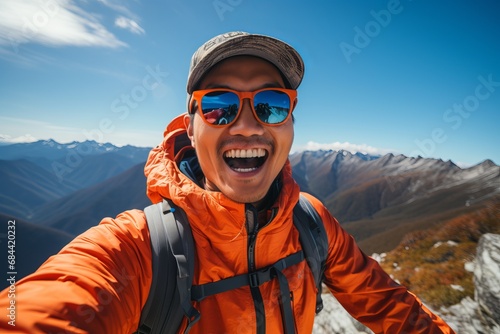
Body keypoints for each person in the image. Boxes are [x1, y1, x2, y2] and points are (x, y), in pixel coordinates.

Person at [0, 31, 455, 333]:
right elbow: (53, 307)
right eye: (219, 105)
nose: (248, 126)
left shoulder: (312, 224)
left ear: (291, 122)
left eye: (272, 104)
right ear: (190, 125)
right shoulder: (137, 248)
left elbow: (394, 308)